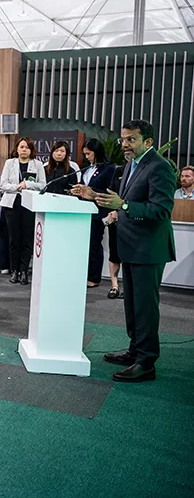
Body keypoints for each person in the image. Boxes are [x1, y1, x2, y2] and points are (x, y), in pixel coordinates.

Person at [72, 120, 175, 383]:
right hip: (130, 245)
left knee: (145, 307)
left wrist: (125, 206)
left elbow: (161, 210)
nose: (124, 144)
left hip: (149, 249)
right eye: (123, 139)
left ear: (148, 142)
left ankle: (146, 362)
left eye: (131, 139)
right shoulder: (131, 165)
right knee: (132, 305)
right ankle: (135, 350)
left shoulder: (160, 167)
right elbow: (120, 202)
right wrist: (92, 194)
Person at [0, 137, 47, 285]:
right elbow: (3, 184)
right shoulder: (9, 163)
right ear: (17, 149)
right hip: (12, 204)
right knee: (14, 239)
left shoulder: (37, 164)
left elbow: (43, 185)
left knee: (27, 239)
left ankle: (24, 270)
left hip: (29, 204)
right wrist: (17, 187)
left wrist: (28, 185)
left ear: (31, 150)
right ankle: (14, 270)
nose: (24, 150)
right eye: (21, 147)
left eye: (27, 147)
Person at [70, 138, 116, 288]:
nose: (86, 157)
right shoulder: (86, 168)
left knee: (94, 244)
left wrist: (92, 193)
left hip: (98, 211)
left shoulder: (108, 169)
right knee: (83, 245)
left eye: (88, 154)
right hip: (83, 210)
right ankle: (82, 273)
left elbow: (110, 191)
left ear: (97, 152)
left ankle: (94, 277)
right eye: (85, 154)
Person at [104, 164, 126, 299]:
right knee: (114, 254)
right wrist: (112, 211)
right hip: (114, 218)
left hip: (132, 218)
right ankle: (114, 286)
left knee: (129, 255)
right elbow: (110, 192)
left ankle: (129, 287)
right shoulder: (119, 170)